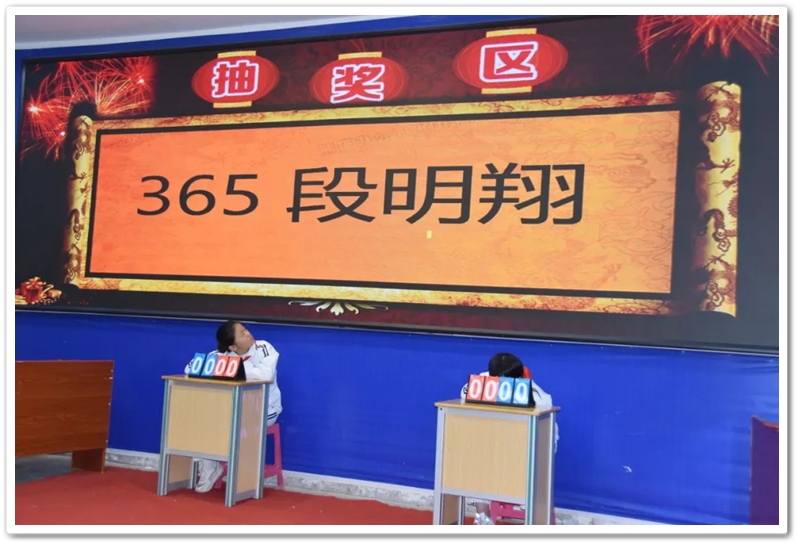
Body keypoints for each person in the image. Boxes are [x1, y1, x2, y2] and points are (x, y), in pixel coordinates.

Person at [459, 352, 558, 525]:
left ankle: (532, 513)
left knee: (525, 465)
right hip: (497, 447)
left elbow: (546, 409)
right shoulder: (482, 382)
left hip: (529, 449)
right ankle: (483, 517)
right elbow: (464, 394)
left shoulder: (532, 390)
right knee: (477, 460)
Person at [184, 320, 283, 492]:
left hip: (265, 409)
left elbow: (266, 374)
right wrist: (230, 368)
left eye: (245, 330)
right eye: (242, 333)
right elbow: (190, 368)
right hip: (232, 409)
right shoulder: (220, 355)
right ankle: (210, 468)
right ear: (232, 346)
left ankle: (238, 466)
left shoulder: (264, 348)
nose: (248, 334)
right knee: (201, 420)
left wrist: (233, 368)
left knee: (236, 425)